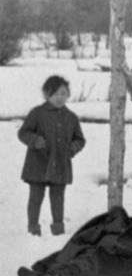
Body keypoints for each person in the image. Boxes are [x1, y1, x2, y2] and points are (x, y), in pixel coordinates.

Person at [18, 75, 86, 236]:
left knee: (57, 199)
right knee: (35, 198)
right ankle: (32, 230)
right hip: (38, 163)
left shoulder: (71, 117)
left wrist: (73, 148)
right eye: (54, 94)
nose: (59, 98)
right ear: (46, 95)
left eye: (63, 93)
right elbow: (23, 133)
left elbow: (80, 139)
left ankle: (58, 230)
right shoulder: (37, 113)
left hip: (60, 165)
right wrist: (35, 141)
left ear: (68, 95)